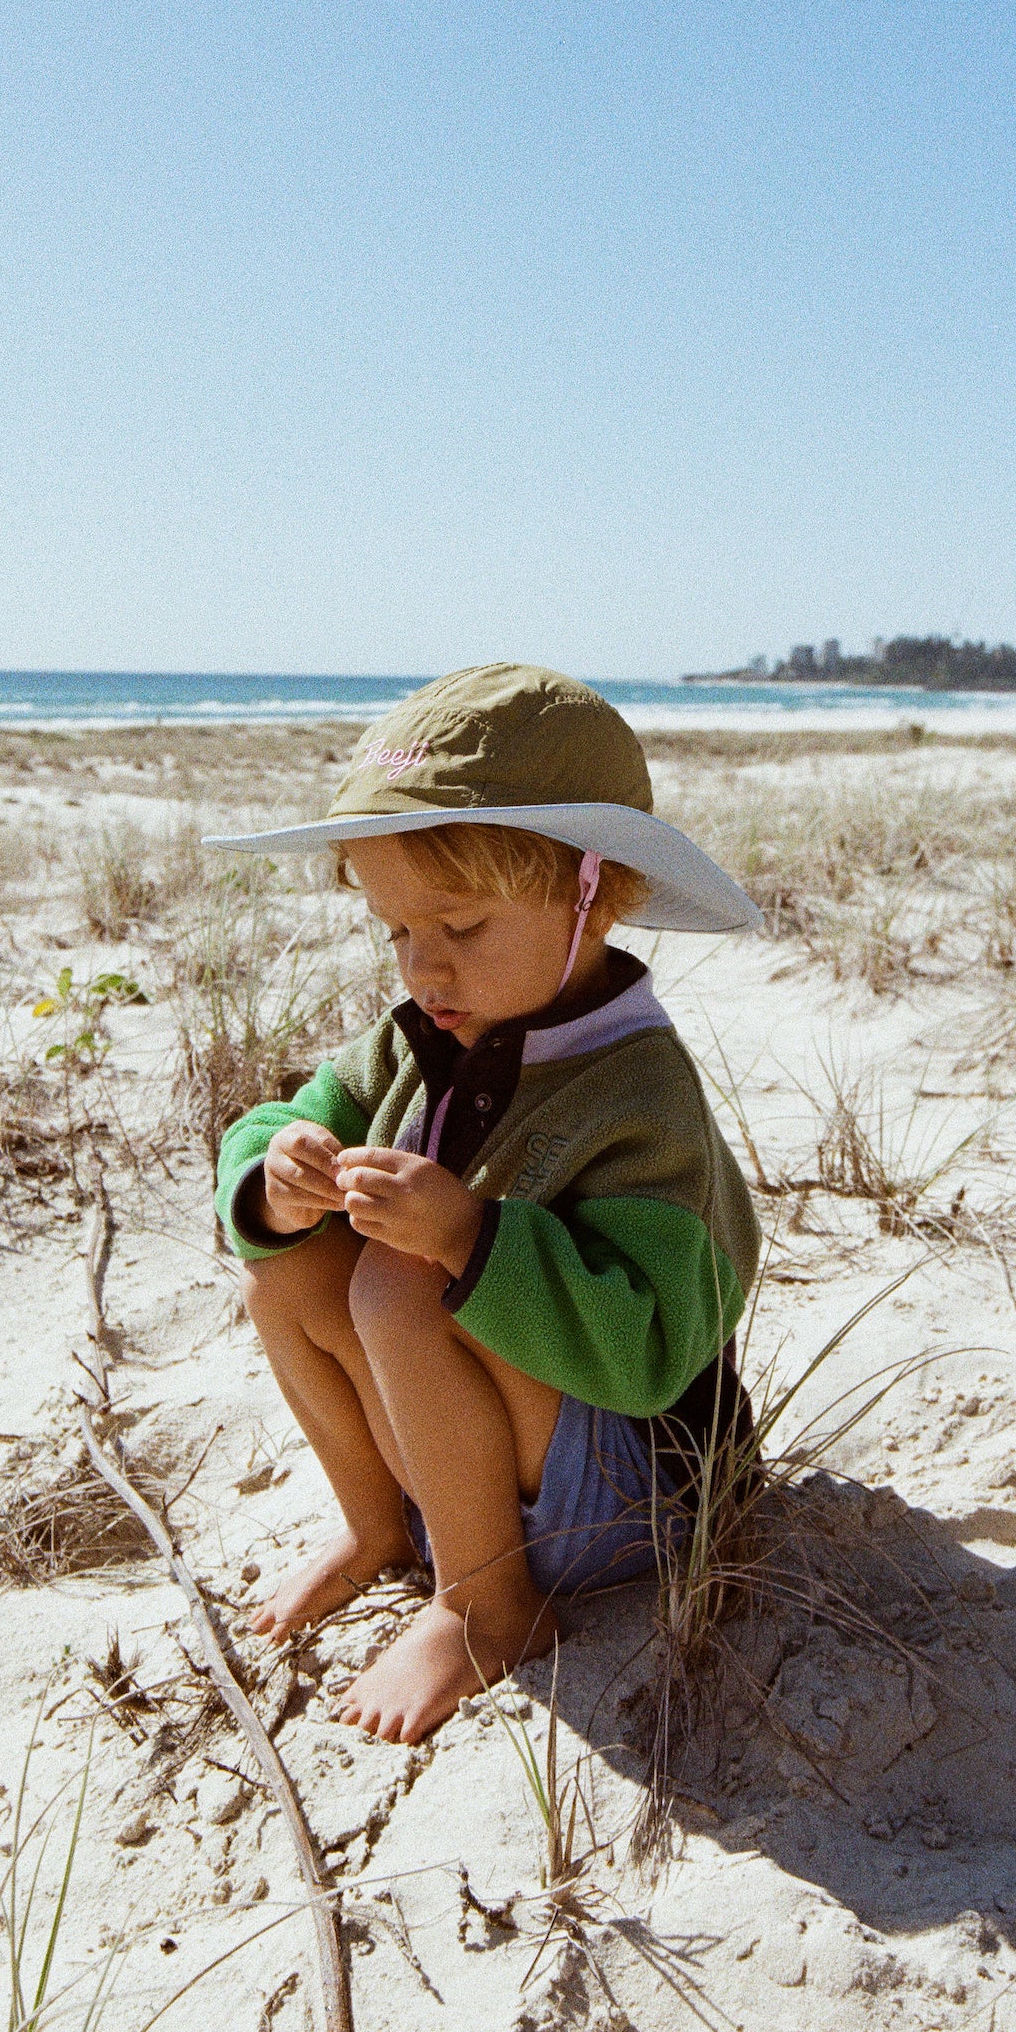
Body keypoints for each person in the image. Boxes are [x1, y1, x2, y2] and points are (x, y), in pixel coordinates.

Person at [208, 664, 762, 1743]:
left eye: (459, 925)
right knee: (283, 1269)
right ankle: (380, 1527)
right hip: (467, 1472)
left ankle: (485, 1607)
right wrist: (280, 1172)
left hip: (632, 1491)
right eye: (397, 930)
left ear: (590, 894)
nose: (424, 965)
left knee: (400, 1276)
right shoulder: (417, 1040)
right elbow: (268, 1128)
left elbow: (652, 1348)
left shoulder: (639, 1094)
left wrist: (468, 1239)